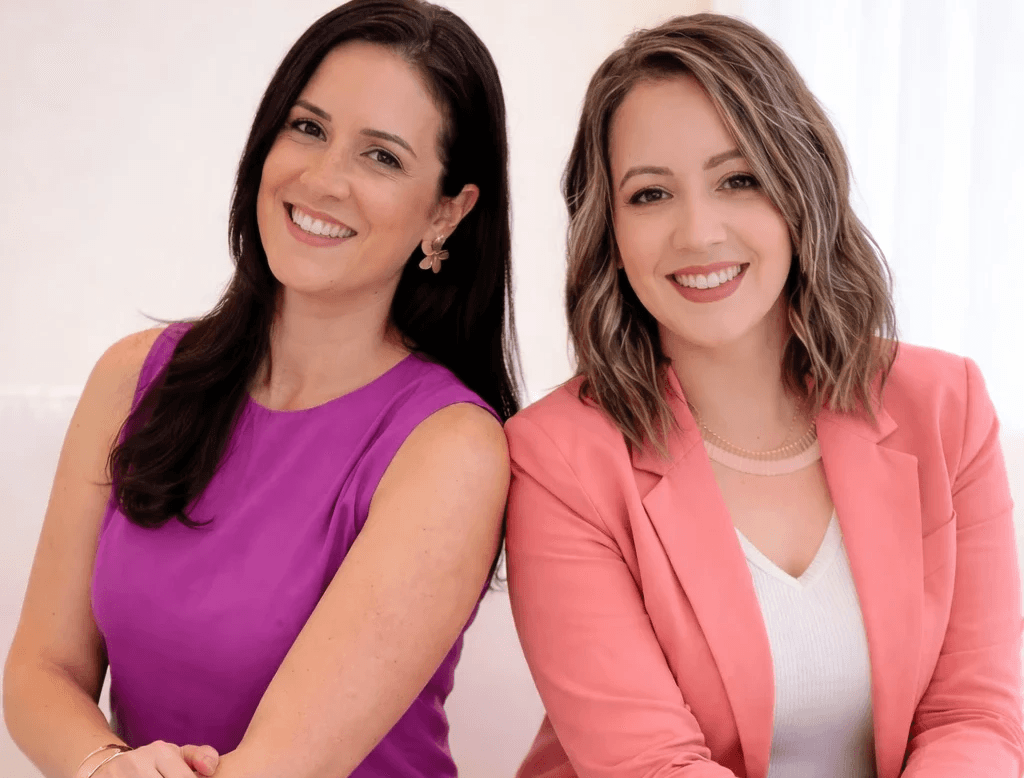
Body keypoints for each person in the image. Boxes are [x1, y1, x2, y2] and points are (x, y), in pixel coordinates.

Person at [3, 1, 520, 776]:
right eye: (307, 128)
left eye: (381, 157)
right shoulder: (133, 377)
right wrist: (104, 765)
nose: (322, 179)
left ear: (447, 211)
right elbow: (41, 672)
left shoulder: (451, 447)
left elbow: (281, 766)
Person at [504, 13, 1022, 778]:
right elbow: (651, 765)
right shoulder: (556, 457)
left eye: (738, 180)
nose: (699, 232)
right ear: (607, 227)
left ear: (799, 186)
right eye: (650, 195)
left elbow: (974, 715)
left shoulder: (946, 406)